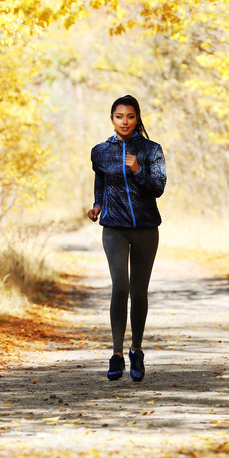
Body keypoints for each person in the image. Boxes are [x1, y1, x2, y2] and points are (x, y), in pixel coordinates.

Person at [87, 95, 166, 382]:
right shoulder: (100, 151)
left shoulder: (151, 150)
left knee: (139, 292)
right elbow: (100, 180)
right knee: (120, 287)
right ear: (112, 119)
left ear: (137, 118)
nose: (125, 121)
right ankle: (117, 354)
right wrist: (97, 204)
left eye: (130, 116)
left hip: (146, 228)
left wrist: (137, 170)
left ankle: (137, 350)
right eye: (119, 116)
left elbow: (158, 188)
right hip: (114, 228)